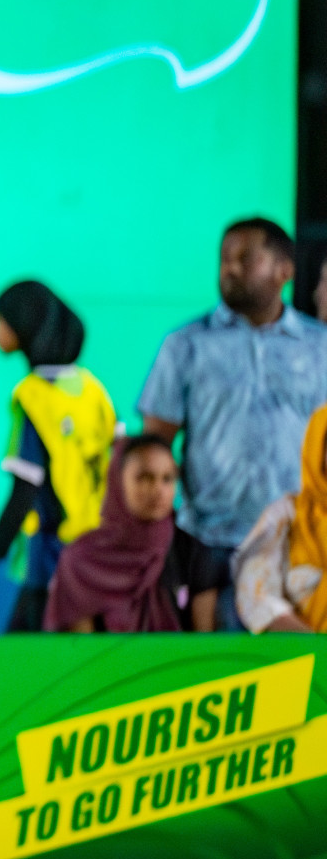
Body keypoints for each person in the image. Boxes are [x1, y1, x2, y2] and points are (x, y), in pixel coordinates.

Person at [139, 219, 327, 631]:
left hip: (298, 548)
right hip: (209, 547)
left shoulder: (320, 347)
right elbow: (152, 448)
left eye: (245, 258)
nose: (230, 269)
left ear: (285, 270)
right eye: (224, 259)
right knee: (218, 677)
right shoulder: (186, 344)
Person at [0, 281, 117, 631]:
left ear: (24, 324)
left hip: (52, 563)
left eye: (1, 319)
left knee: (24, 669)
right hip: (102, 559)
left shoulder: (32, 397)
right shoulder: (92, 389)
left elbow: (24, 493)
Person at [43, 435, 187, 632]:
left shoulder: (190, 549)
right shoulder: (80, 561)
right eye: (144, 477)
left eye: (168, 479)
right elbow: (82, 653)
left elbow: (208, 646)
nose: (158, 490)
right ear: (117, 482)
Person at [234, 403, 327, 633]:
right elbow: (255, 596)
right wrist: (316, 648)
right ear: (317, 448)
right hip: (300, 656)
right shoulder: (286, 514)